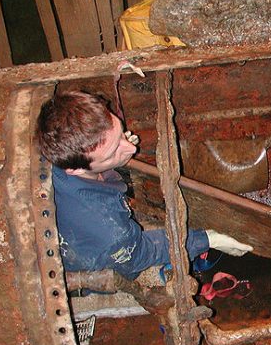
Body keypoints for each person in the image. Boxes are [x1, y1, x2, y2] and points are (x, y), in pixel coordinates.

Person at [35, 89, 253, 297]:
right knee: (137, 268)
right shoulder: (110, 231)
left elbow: (97, 165)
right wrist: (207, 239)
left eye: (120, 132)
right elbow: (140, 254)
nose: (131, 149)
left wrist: (115, 152)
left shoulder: (57, 147)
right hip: (93, 262)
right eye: (113, 151)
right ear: (76, 168)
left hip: (89, 229)